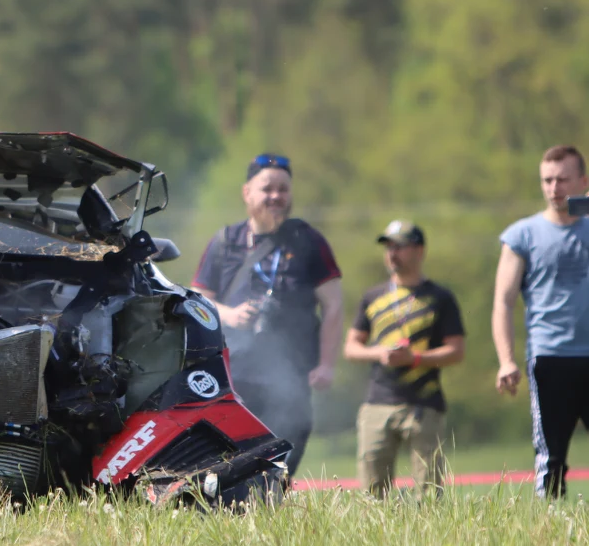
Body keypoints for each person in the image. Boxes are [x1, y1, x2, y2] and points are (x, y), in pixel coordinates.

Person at [191, 153, 344, 477]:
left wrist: (327, 365)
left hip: (291, 377)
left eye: (283, 189)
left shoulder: (308, 241)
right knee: (230, 469)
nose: (276, 196)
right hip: (234, 380)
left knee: (282, 465)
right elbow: (198, 300)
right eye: (267, 189)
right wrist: (230, 316)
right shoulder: (225, 242)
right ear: (247, 192)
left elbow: (333, 305)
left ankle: (270, 516)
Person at [493, 145, 589, 498]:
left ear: (583, 181)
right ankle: (550, 529)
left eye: (563, 179)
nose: (554, 188)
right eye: (547, 180)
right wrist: (506, 359)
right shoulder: (523, 235)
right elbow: (503, 302)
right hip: (551, 357)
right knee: (551, 458)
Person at [345, 221, 466, 498]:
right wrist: (380, 353)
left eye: (399, 246)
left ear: (419, 250)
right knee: (373, 492)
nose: (392, 253)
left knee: (429, 489)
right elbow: (351, 348)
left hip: (425, 404)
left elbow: (456, 351)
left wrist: (414, 359)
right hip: (378, 403)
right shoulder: (372, 296)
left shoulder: (440, 297)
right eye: (388, 247)